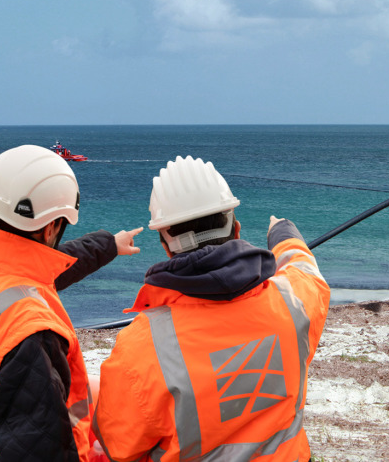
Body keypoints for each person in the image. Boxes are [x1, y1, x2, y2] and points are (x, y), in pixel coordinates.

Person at [93, 156, 330, 462]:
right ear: (237, 229)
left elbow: (118, 446)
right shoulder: (293, 301)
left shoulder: (143, 346)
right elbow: (307, 271)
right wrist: (283, 234)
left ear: (165, 246)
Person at [0, 144, 142, 462]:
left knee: (102, 389)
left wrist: (108, 245)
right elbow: (38, 448)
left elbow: (48, 269)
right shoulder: (29, 331)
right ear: (51, 227)